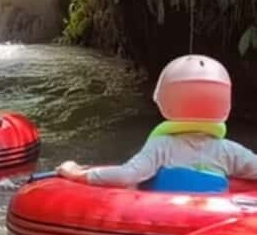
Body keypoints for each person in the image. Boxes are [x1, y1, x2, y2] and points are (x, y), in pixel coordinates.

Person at [56, 55, 257, 189]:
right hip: (213, 225)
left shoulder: (161, 146)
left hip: (162, 220)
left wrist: (76, 174)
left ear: (167, 100)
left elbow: (128, 175)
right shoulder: (230, 151)